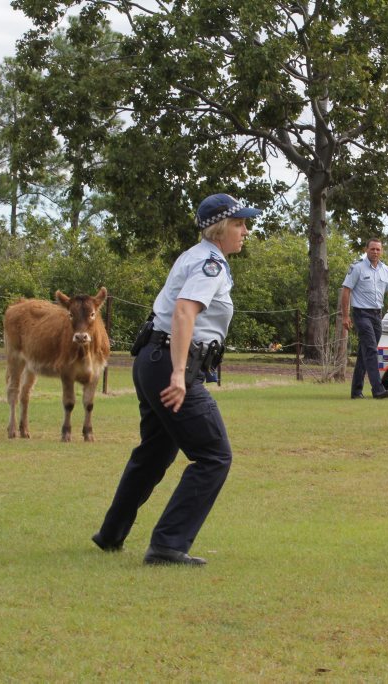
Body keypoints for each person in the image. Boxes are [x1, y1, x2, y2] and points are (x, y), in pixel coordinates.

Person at [91, 193, 261, 566]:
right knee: (214, 456)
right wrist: (180, 375)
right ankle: (167, 545)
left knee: (154, 454)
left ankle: (111, 534)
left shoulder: (195, 255)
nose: (245, 230)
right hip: (169, 363)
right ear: (219, 230)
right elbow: (185, 313)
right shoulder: (209, 263)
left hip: (153, 359)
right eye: (239, 223)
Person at [340, 238, 388, 399]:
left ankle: (356, 391)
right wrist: (345, 316)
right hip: (361, 314)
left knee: (365, 353)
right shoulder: (357, 268)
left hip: (377, 315)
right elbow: (346, 290)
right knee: (371, 349)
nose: (375, 252)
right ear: (366, 249)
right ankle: (378, 389)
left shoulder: (386, 270)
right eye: (372, 249)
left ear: (381, 251)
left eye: (378, 249)